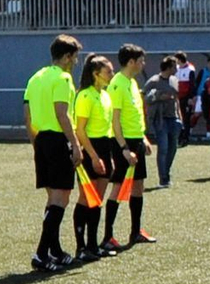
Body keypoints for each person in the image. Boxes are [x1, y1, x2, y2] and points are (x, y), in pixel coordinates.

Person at [23, 34, 81, 271]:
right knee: (61, 197)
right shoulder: (63, 78)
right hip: (57, 139)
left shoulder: (36, 77)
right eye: (75, 57)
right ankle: (40, 254)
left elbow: (27, 116)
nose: (76, 62)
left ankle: (54, 250)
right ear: (67, 57)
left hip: (41, 139)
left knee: (53, 198)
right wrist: (75, 144)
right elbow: (61, 113)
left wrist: (35, 143)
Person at [105, 44, 157, 248]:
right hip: (122, 142)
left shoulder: (132, 82)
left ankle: (135, 232)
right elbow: (114, 119)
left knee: (138, 186)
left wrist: (143, 138)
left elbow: (134, 114)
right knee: (119, 187)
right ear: (131, 62)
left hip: (135, 140)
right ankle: (107, 236)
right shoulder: (117, 84)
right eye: (141, 60)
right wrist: (124, 148)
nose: (143, 64)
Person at [71, 56, 119, 262]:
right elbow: (79, 130)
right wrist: (93, 156)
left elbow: (107, 128)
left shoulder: (105, 95)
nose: (111, 75)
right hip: (90, 148)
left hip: (104, 147)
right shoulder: (85, 96)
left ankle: (93, 244)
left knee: (97, 200)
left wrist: (108, 157)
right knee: (86, 198)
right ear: (95, 74)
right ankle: (81, 247)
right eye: (108, 71)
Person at [143, 56, 183, 189]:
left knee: (173, 148)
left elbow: (176, 99)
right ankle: (163, 179)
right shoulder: (154, 81)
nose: (177, 68)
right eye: (175, 66)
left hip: (173, 118)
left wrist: (180, 116)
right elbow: (145, 96)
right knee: (163, 148)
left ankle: (167, 172)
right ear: (169, 67)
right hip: (160, 119)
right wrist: (159, 96)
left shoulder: (174, 80)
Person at [173, 52, 199, 145]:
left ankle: (185, 138)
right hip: (177, 97)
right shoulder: (176, 69)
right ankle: (179, 137)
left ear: (179, 59)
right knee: (177, 117)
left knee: (186, 118)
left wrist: (191, 97)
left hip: (186, 98)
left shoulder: (190, 69)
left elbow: (192, 85)